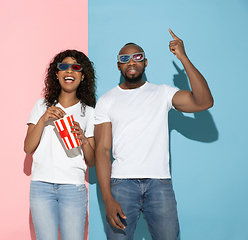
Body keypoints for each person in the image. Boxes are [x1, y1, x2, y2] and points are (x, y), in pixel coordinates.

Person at [94, 29, 214, 240]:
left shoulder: (163, 93)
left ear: (145, 62)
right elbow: (102, 151)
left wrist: (183, 57)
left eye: (137, 57)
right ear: (118, 65)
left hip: (160, 184)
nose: (132, 62)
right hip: (122, 185)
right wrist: (107, 198)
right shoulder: (107, 100)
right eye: (125, 58)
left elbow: (204, 101)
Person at [24, 49, 97, 240]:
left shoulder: (89, 113)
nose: (69, 71)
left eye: (75, 67)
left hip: (73, 187)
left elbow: (91, 160)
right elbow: (28, 148)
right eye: (64, 66)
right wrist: (43, 119)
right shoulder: (41, 105)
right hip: (41, 186)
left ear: (82, 76)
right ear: (56, 74)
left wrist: (82, 139)